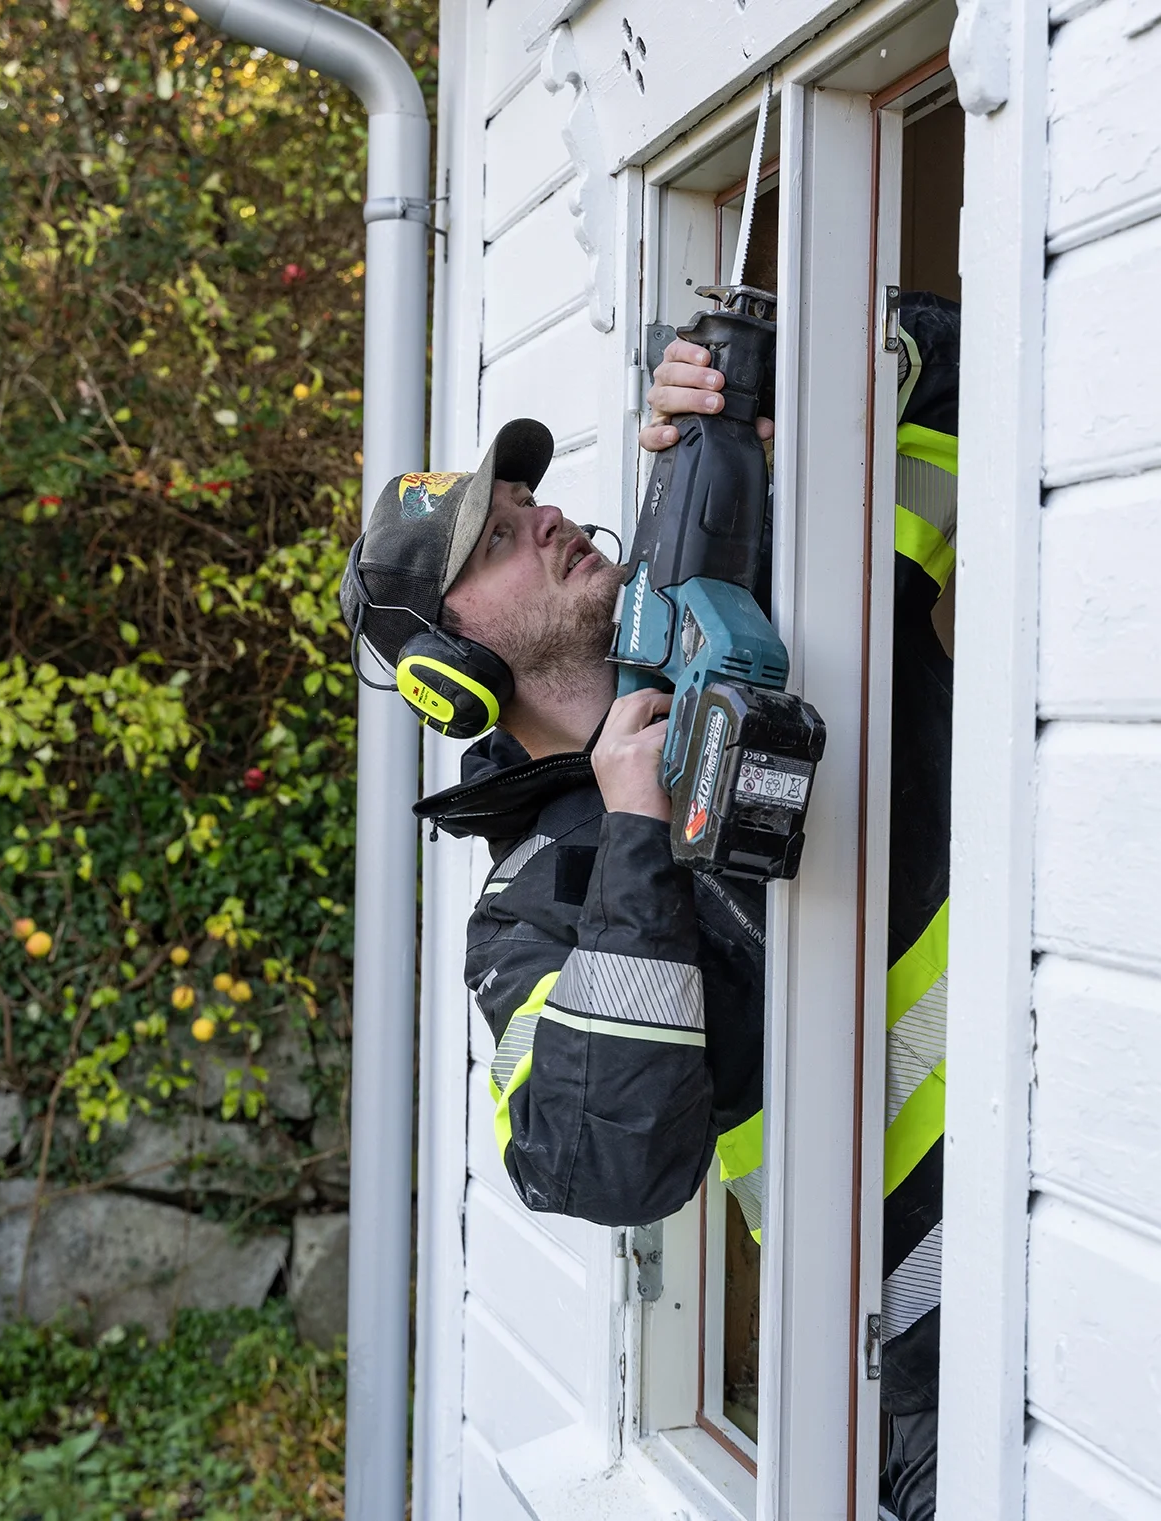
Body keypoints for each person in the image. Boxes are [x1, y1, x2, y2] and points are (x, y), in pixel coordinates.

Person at [337, 294, 958, 1521]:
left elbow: (956, 398)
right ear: (447, 672)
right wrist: (633, 834)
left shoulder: (777, 604)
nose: (547, 518)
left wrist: (789, 405)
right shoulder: (527, 914)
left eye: (528, 505)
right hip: (939, 1304)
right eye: (499, 544)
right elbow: (607, 1166)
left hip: (1133, 1128)